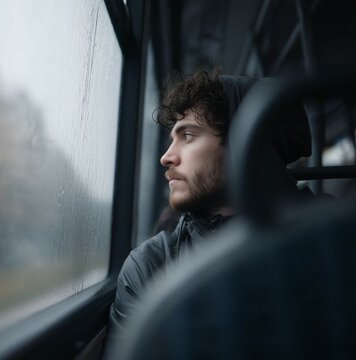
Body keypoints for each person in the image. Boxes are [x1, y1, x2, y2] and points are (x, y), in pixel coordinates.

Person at [107, 70, 312, 336]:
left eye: (188, 136)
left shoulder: (331, 239)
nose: (166, 157)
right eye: (172, 140)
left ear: (245, 143)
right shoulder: (150, 268)